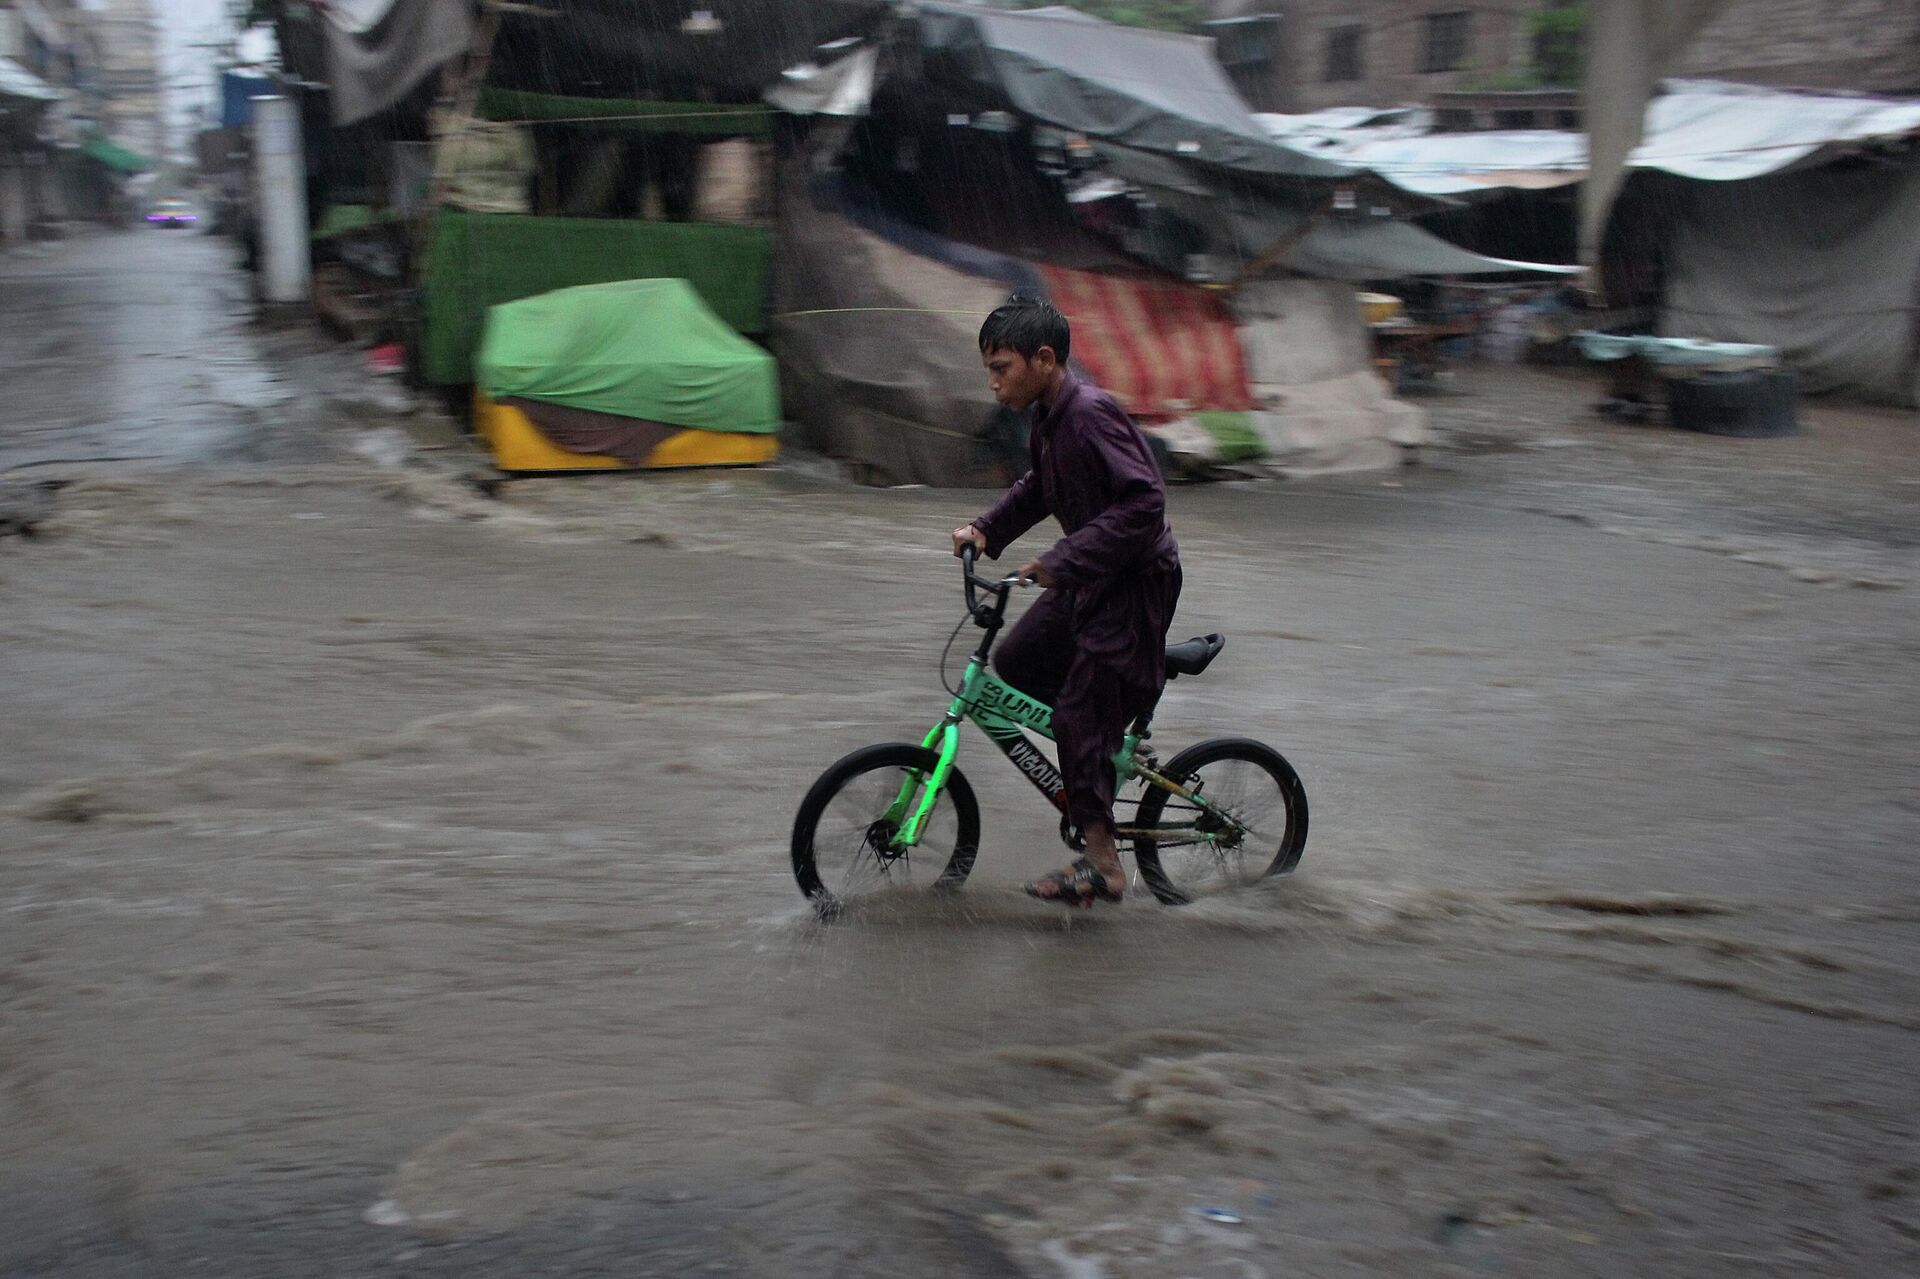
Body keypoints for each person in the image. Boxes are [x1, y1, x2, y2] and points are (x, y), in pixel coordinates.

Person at [951, 295, 1182, 909]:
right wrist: (986, 530)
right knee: (1020, 660)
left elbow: (1144, 505)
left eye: (1001, 368)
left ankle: (1105, 864)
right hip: (1089, 574)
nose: (993, 383)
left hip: (1133, 583)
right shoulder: (1050, 418)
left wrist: (1060, 562)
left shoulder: (1091, 413)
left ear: (1044, 359)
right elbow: (1038, 489)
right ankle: (1098, 746)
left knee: (1076, 713)